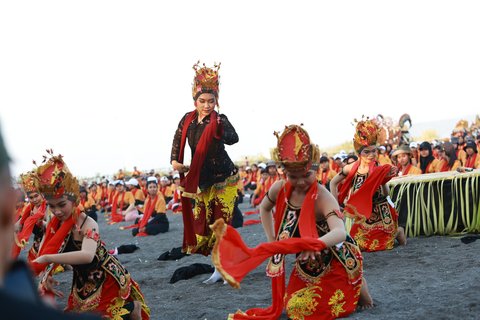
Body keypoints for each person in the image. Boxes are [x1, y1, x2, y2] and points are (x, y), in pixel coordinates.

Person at [211, 125, 371, 319]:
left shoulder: (322, 196)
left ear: (317, 170)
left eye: (306, 175)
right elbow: (264, 208)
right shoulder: (280, 188)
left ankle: (359, 283)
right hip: (307, 261)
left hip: (338, 256)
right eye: (293, 177)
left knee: (308, 310)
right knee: (294, 306)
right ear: (285, 173)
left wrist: (315, 244)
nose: (301, 182)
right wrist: (272, 241)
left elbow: (340, 232)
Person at [30, 152, 150, 319]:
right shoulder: (55, 224)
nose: (57, 211)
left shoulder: (88, 223)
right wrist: (46, 275)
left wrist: (49, 259)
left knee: (106, 315)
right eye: (52, 206)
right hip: (81, 280)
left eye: (62, 205)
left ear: (75, 200)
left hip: (104, 276)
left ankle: (132, 308)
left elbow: (87, 255)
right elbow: (46, 248)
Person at [170, 61, 239, 284]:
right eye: (202, 101)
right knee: (204, 226)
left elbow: (233, 138)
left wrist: (220, 127)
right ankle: (220, 264)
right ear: (195, 100)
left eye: (211, 101)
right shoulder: (187, 120)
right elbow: (177, 141)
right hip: (202, 181)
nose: (207, 105)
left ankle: (220, 268)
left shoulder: (220, 119)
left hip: (224, 179)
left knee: (221, 223)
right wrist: (175, 161)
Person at [330, 117, 406, 252]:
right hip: (362, 214)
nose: (371, 155)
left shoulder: (379, 168)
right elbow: (333, 183)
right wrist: (336, 205)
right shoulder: (350, 168)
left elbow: (386, 194)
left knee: (385, 245)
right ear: (359, 152)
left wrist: (383, 180)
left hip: (380, 210)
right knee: (358, 245)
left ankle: (399, 231)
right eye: (367, 152)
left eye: (374, 151)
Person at [12, 171, 49, 263]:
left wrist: (40, 222)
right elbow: (18, 225)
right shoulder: (30, 207)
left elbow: (51, 226)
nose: (35, 200)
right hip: (37, 242)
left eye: (36, 196)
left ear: (41, 194)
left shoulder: (49, 206)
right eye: (31, 198)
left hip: (50, 241)